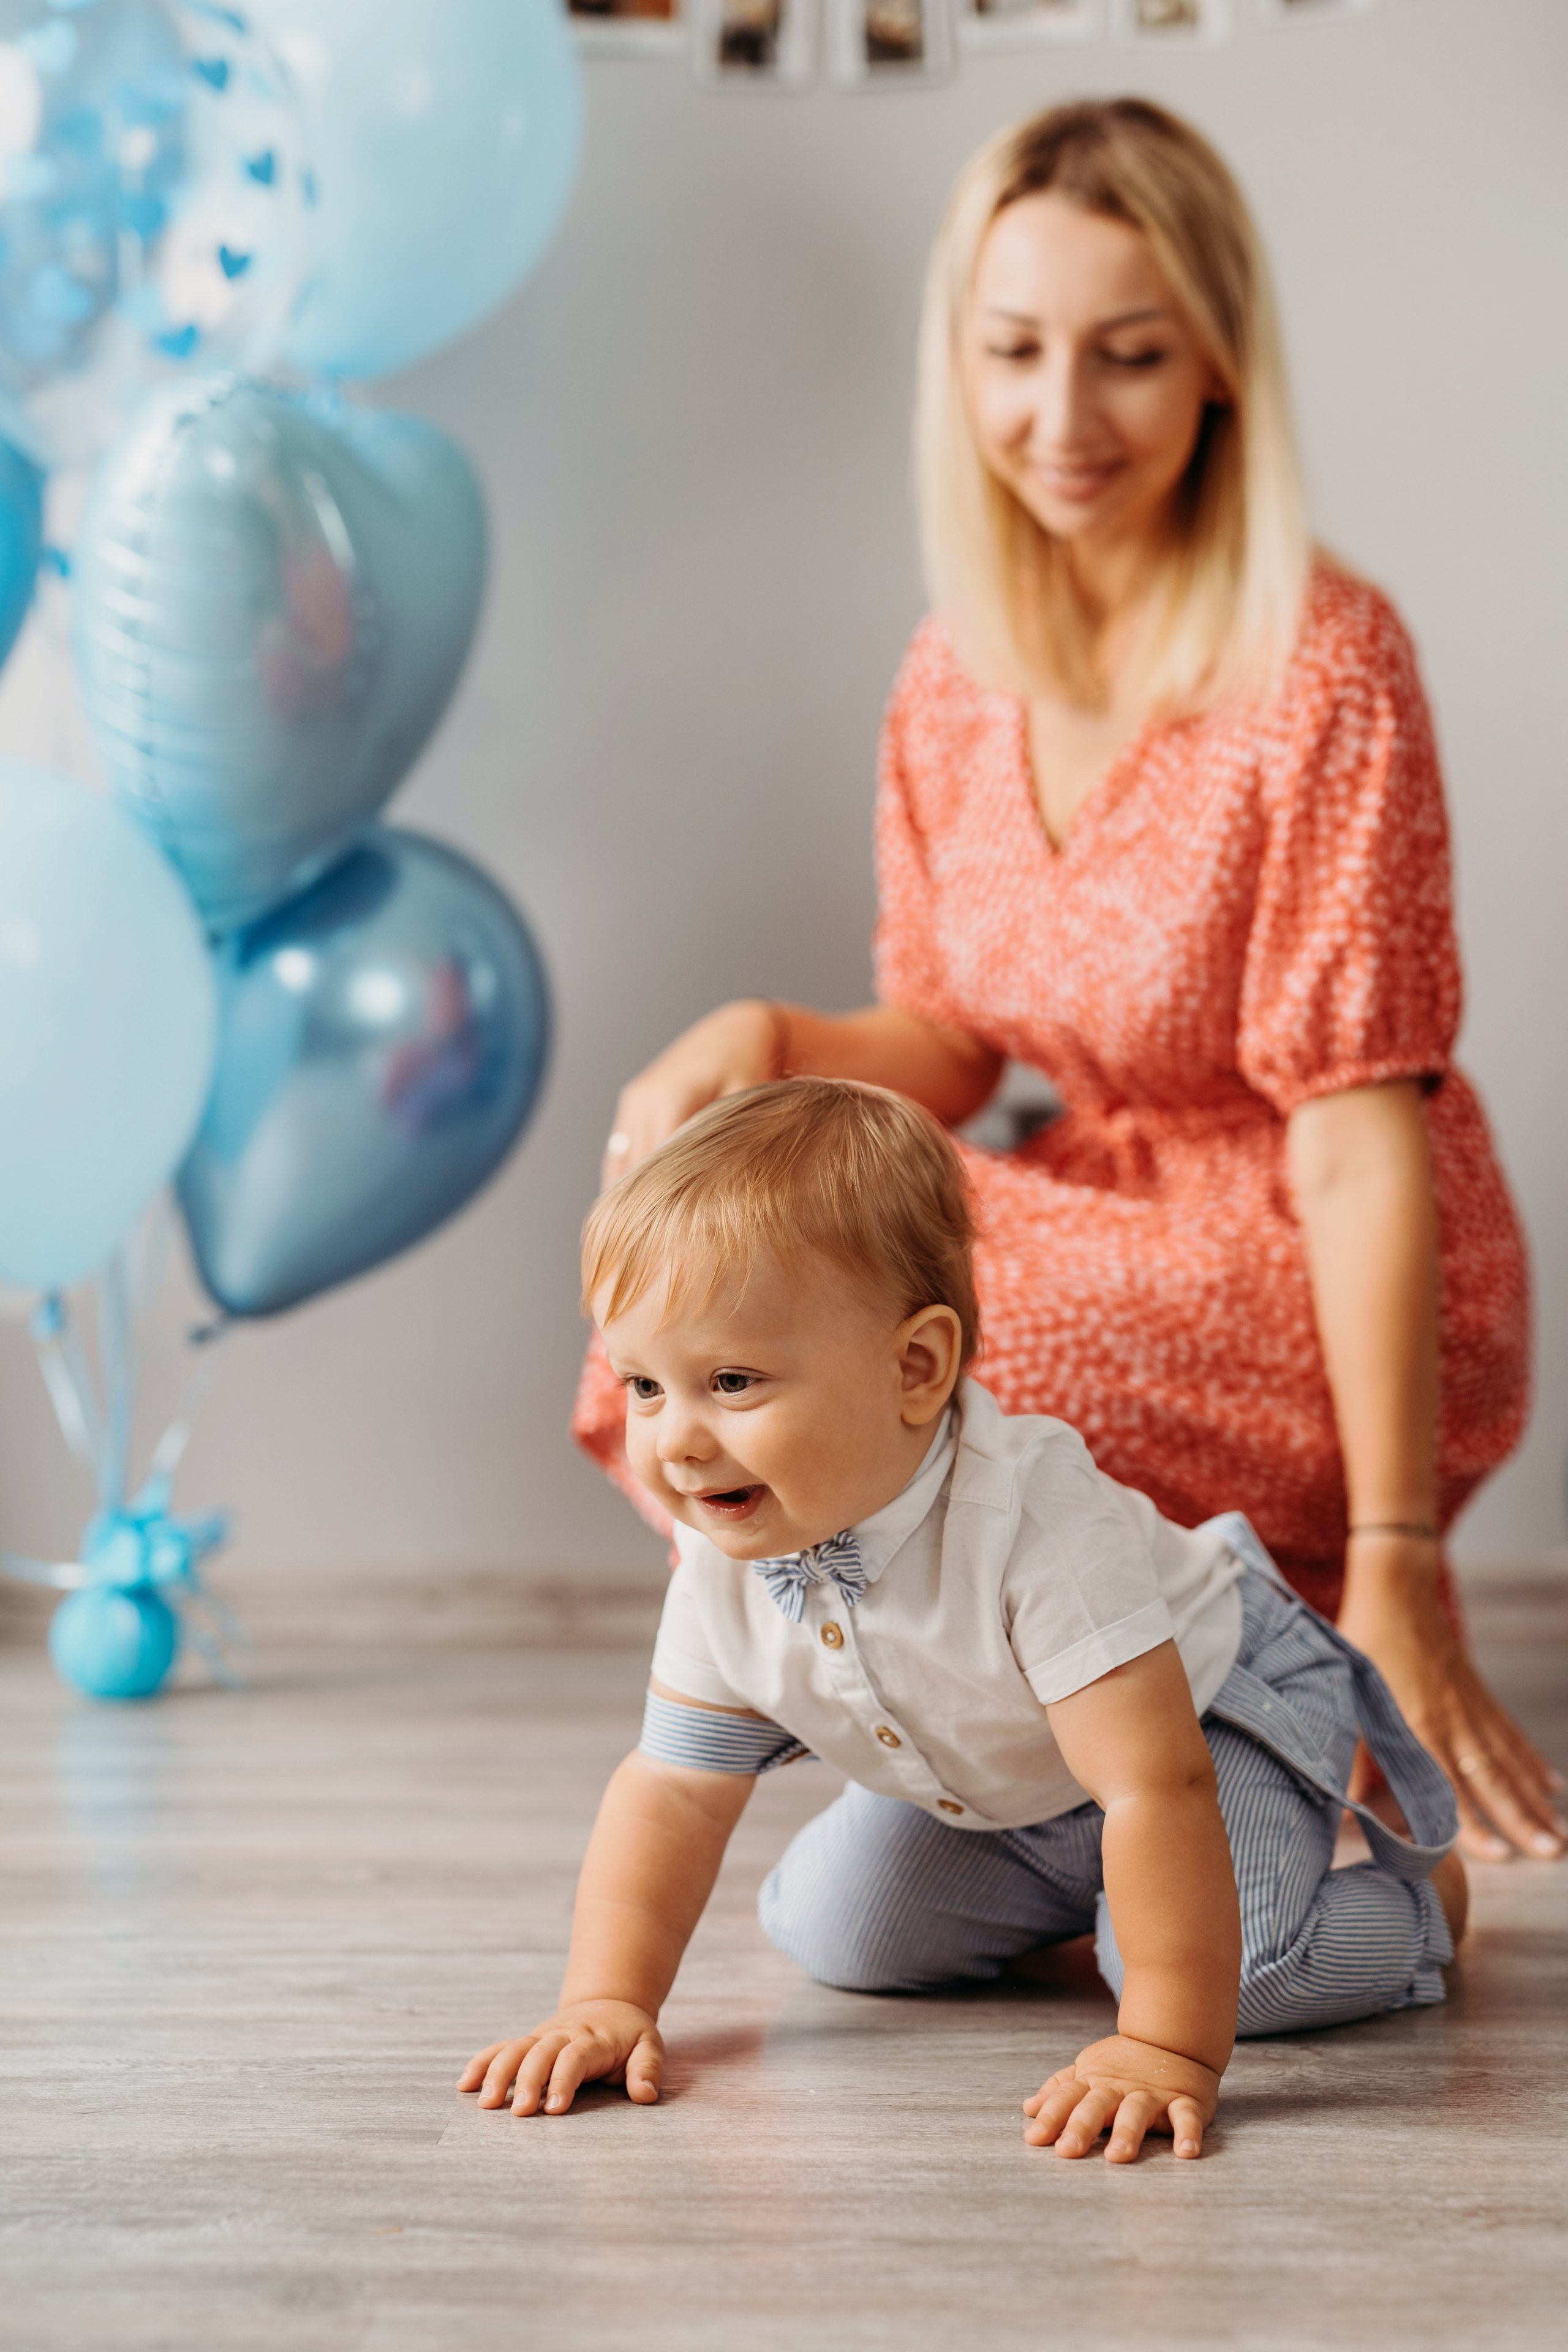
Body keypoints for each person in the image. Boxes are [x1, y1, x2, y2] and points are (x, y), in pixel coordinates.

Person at [573, 99, 1562, 1864]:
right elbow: (953, 1042)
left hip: (1306, 1224)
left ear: (1219, 369)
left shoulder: (1325, 660)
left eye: (1127, 356)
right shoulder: (960, 665)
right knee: (707, 1284)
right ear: (959, 358)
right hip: (1103, 1192)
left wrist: (1406, 1561)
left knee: (858, 1328)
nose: (1060, 417)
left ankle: (1171, 1716)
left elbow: (1355, 1140)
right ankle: (951, 1719)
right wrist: (770, 1039)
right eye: (1014, 351)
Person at [469, 1081, 1463, 2158]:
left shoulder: (1030, 1516)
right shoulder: (720, 1557)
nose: (673, 1441)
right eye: (645, 1387)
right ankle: (1100, 1902)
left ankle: (1422, 1910)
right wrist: (607, 2000)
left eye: (732, 1381)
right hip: (1016, 1776)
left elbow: (1151, 1783)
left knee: (1248, 1978)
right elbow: (671, 1792)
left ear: (917, 1368)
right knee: (837, 1931)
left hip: (1208, 1719)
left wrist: (1165, 2047)